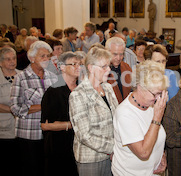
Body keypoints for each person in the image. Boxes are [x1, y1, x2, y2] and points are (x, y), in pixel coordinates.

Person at [112, 60, 169, 175]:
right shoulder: (125, 113)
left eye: (161, 94)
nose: (158, 99)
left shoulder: (150, 105)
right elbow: (143, 152)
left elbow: (156, 135)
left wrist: (161, 154)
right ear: (140, 87)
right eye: (155, 94)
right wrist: (157, 117)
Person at [10, 41, 58, 176]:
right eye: (42, 56)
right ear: (31, 58)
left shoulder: (53, 77)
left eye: (48, 56)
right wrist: (42, 106)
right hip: (29, 135)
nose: (46, 59)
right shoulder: (21, 78)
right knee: (31, 170)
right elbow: (15, 108)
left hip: (49, 134)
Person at [69, 47, 118, 175]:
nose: (109, 69)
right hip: (91, 158)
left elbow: (117, 117)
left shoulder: (107, 88)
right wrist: (113, 147)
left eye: (109, 66)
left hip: (111, 155)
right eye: (104, 66)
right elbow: (85, 135)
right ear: (90, 68)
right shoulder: (78, 95)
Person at [41, 52, 81, 176]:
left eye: (80, 64)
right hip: (59, 147)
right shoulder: (53, 91)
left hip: (78, 146)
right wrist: (72, 125)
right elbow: (45, 125)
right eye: (74, 64)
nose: (78, 67)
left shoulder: (81, 88)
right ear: (62, 67)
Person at [0, 47, 20, 175]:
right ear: (1, 62)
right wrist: (13, 110)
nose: (12, 62)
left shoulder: (23, 75)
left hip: (22, 129)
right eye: (8, 59)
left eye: (14, 58)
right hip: (4, 130)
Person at [106, 37, 132, 104]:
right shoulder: (101, 70)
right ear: (107, 52)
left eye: (121, 54)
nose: (118, 58)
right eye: (115, 54)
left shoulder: (126, 67)